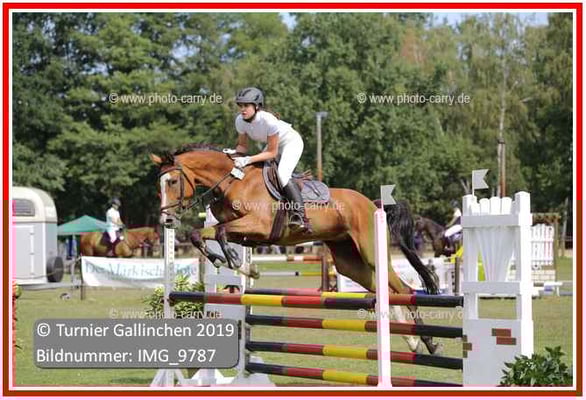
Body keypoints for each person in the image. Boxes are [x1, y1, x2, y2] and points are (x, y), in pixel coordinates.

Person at [231, 87, 310, 233]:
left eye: (246, 106)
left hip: (290, 142)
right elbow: (242, 146)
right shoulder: (240, 121)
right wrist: (232, 154)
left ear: (256, 106)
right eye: (240, 105)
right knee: (257, 172)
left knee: (282, 174)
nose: (242, 109)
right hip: (272, 146)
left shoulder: (268, 120)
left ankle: (299, 216)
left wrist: (248, 159)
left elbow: (272, 153)